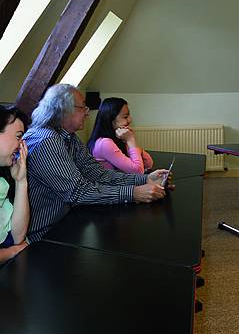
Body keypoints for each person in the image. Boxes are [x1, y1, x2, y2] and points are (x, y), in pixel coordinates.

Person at [23, 84, 169, 242]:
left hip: (66, 222)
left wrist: (145, 179)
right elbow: (77, 192)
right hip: (46, 235)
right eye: (83, 107)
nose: (87, 113)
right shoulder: (47, 140)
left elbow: (98, 173)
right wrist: (134, 193)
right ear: (65, 110)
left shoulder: (68, 137)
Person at [88, 97, 153, 174]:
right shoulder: (105, 143)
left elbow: (148, 164)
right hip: (112, 185)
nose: (130, 120)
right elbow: (138, 171)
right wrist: (131, 141)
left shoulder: (118, 137)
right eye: (125, 117)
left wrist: (132, 145)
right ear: (110, 119)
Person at [0, 106, 29, 264]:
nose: (21, 144)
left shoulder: (3, 177)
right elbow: (17, 246)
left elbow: (18, 236)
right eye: (18, 137)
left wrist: (21, 180)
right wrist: (11, 252)